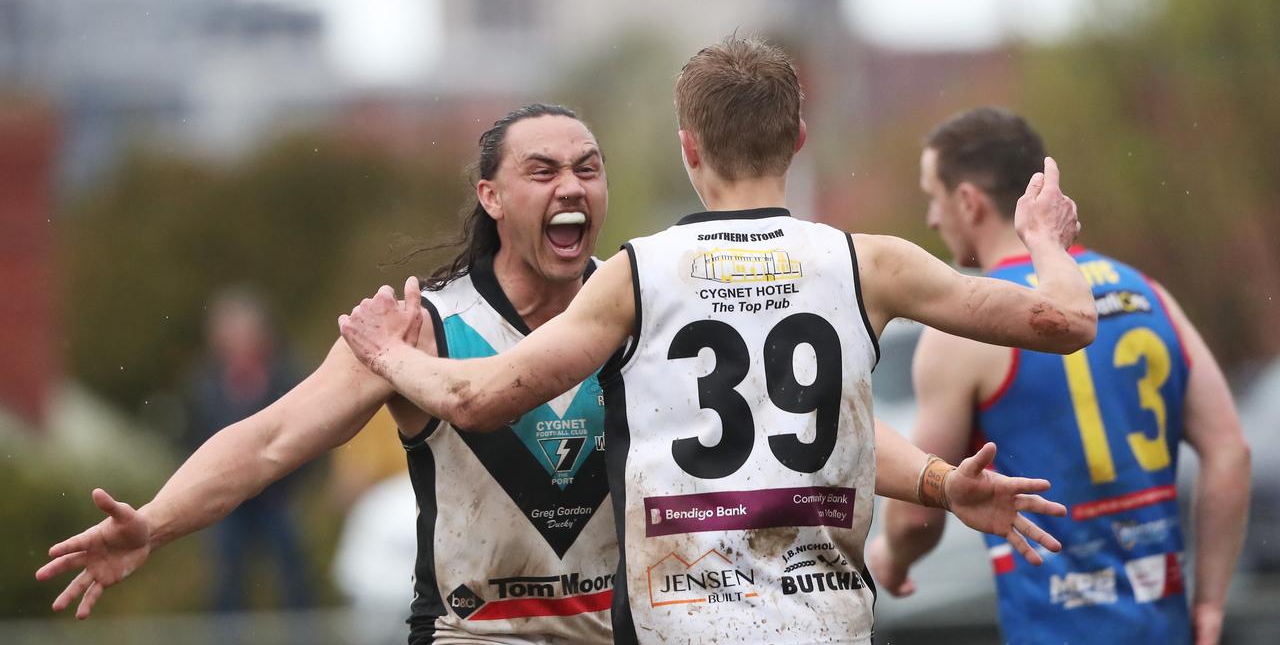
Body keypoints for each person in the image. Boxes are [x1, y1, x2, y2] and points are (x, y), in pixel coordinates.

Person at [336, 36, 1099, 644]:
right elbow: (1067, 322)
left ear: (689, 148)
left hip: (684, 626)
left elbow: (479, 397)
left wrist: (389, 352)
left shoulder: (641, 275)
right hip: (823, 626)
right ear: (799, 138)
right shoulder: (869, 263)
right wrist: (1044, 241)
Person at [37, 103, 619, 644]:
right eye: (542, 171)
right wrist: (153, 523)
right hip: (476, 636)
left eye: (587, 169)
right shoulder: (415, 330)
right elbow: (269, 440)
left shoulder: (641, 310)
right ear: (490, 196)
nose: (571, 185)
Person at [865, 107, 1251, 645]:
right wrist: (1208, 603)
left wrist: (891, 558)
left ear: (969, 201)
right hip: (1164, 628)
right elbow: (1231, 451)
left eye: (934, 196)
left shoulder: (965, 333)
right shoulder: (1149, 294)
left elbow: (914, 518)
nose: (932, 218)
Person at [187, 288, 311, 613]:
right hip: (227, 502)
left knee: (293, 571)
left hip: (276, 495)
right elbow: (195, 439)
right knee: (226, 576)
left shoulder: (287, 377)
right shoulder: (204, 385)